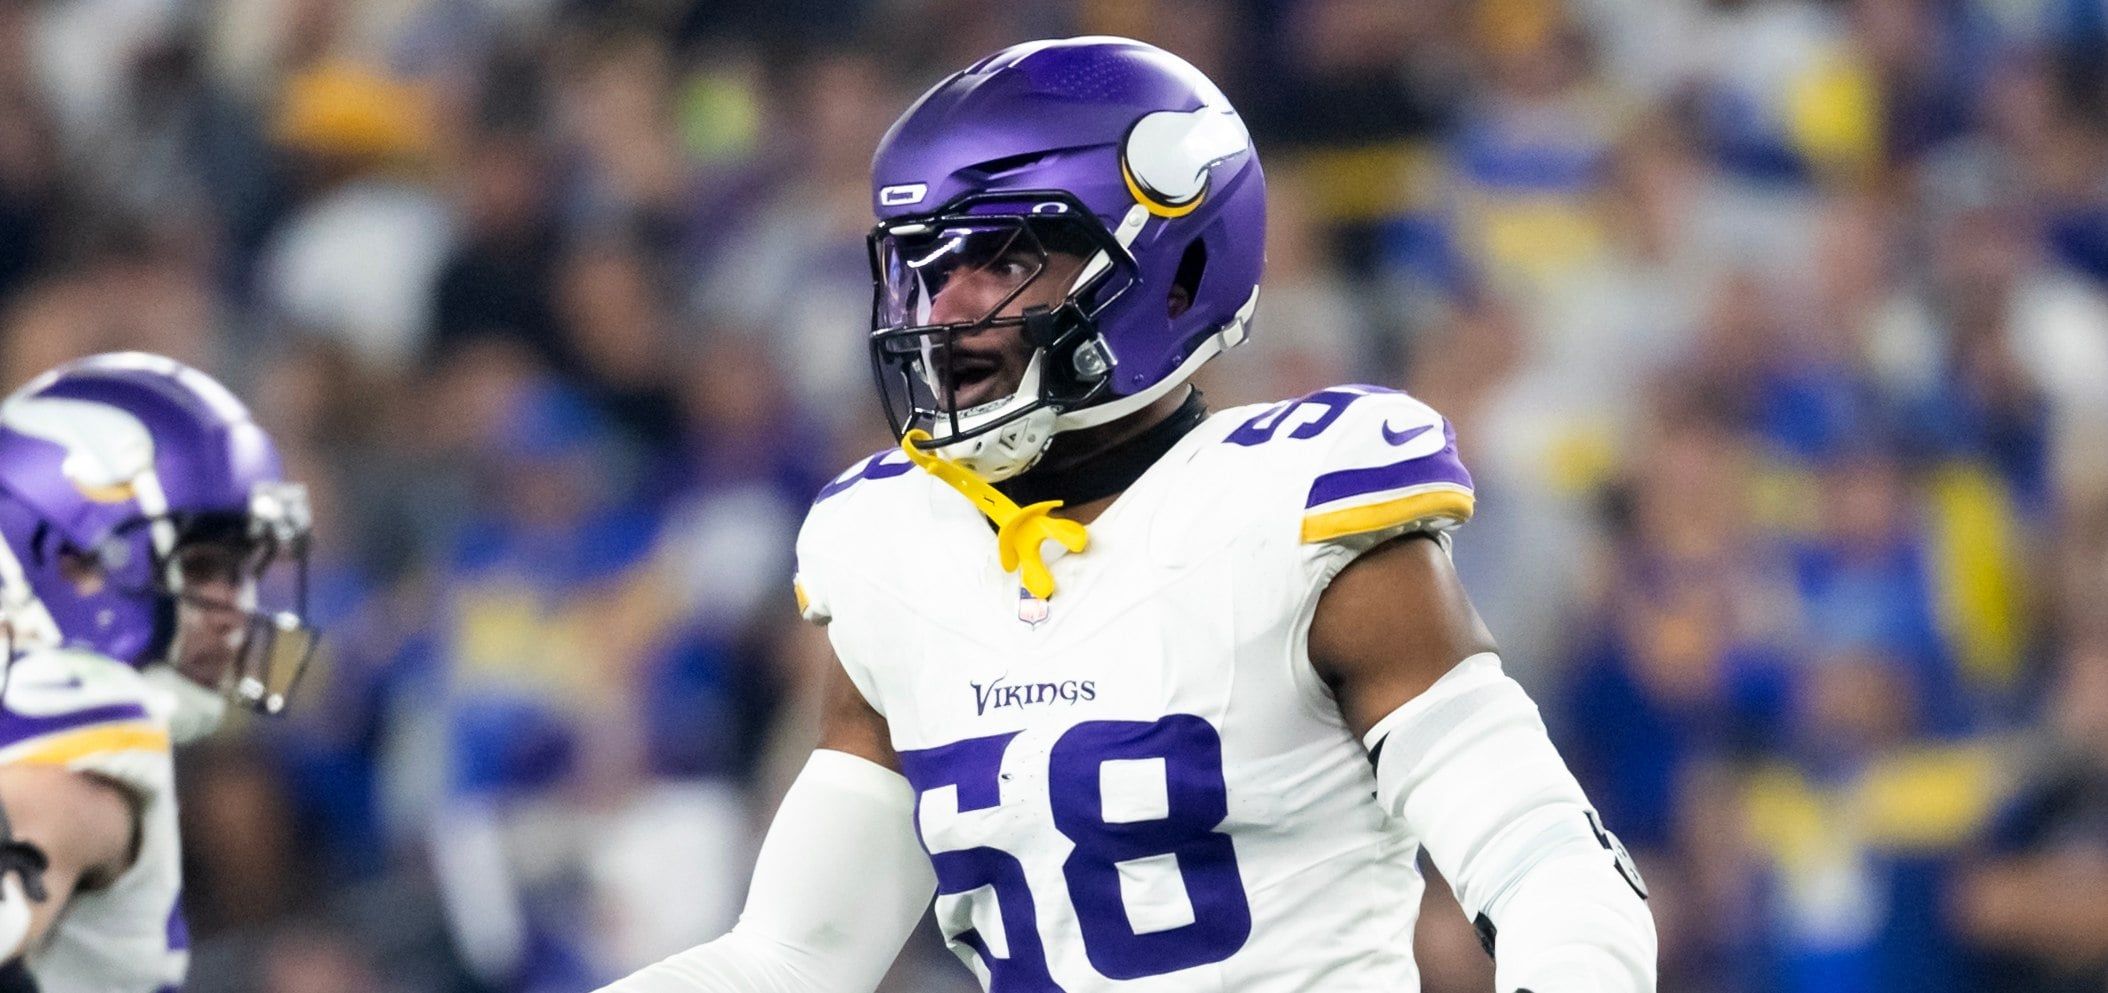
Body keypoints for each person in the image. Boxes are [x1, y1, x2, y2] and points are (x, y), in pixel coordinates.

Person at [606, 37, 1655, 993]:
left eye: (1004, 257)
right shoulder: (890, 547)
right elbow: (792, 957)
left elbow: (1544, 862)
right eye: (926, 265)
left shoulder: (1295, 513)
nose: (947, 309)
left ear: (1173, 264)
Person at [0, 352, 318, 992]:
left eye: (243, 572)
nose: (235, 611)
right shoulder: (77, 758)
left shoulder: (80, 753)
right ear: (69, 563)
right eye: (203, 568)